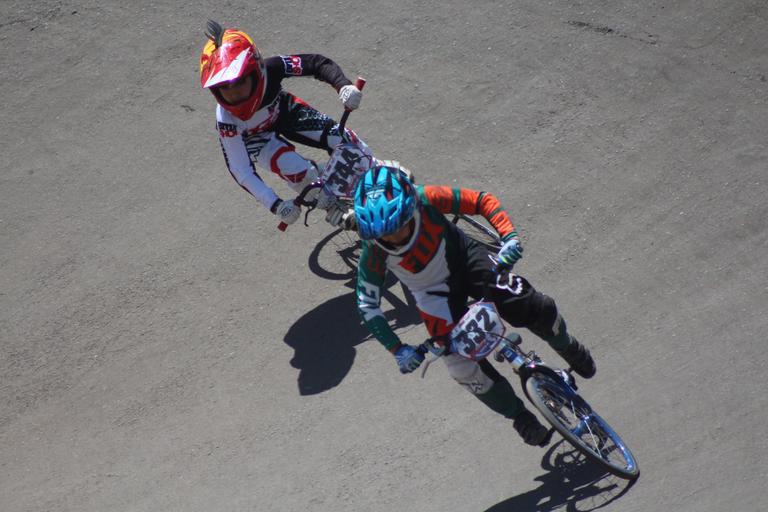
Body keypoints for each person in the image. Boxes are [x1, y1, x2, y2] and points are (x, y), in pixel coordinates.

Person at [353, 164, 596, 446]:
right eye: (383, 234)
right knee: (459, 365)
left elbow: (481, 201)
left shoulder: (426, 197)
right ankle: (519, 417)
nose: (393, 238)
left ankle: (567, 346)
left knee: (530, 304)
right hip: (433, 294)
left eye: (398, 226)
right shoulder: (373, 250)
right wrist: (397, 349)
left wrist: (509, 238)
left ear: (410, 207)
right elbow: (367, 304)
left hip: (468, 260)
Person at [199, 20, 366, 227]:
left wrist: (344, 86)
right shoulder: (226, 120)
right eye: (224, 87)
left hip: (283, 112)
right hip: (256, 139)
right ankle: (332, 206)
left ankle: (378, 175)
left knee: (343, 139)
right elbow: (241, 170)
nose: (234, 93)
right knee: (296, 170)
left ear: (256, 69)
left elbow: (317, 63)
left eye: (240, 82)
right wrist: (275, 205)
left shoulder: (272, 68)